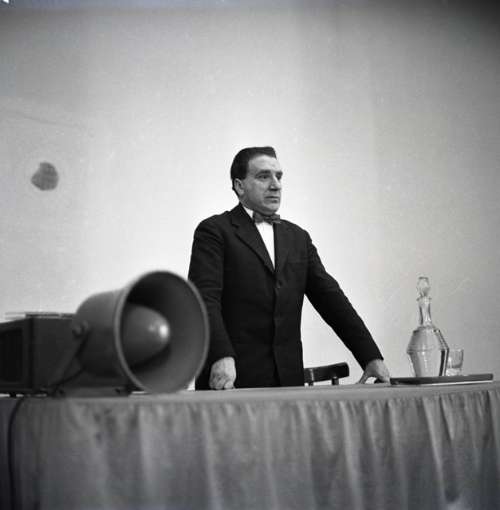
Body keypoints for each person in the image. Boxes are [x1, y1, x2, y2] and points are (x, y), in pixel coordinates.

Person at [188, 146, 390, 390]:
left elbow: (331, 299)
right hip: (230, 380)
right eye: (264, 176)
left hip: (288, 383)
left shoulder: (298, 238)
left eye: (279, 176)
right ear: (240, 186)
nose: (275, 185)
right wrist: (220, 355)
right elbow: (203, 300)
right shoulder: (214, 231)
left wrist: (370, 356)